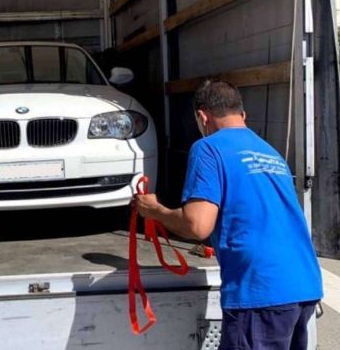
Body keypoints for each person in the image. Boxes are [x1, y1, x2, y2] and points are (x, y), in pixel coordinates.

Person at [133, 80, 323, 350]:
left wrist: (155, 210)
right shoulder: (270, 152)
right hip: (303, 285)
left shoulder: (209, 147)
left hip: (261, 291)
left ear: (202, 117)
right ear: (243, 114)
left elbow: (197, 225)